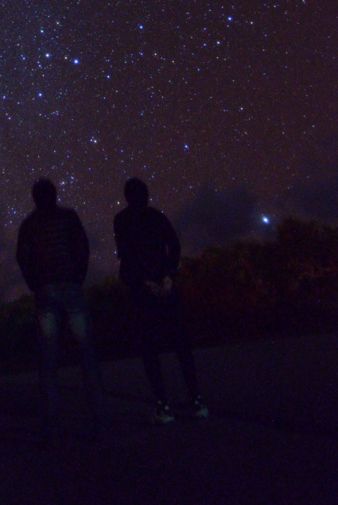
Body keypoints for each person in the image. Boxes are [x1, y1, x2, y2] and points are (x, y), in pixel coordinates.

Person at [16, 178, 104, 446]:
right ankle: (99, 422)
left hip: (46, 291)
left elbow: (23, 257)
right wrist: (77, 277)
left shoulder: (29, 224)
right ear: (54, 194)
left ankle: (52, 427)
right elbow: (82, 247)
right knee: (87, 354)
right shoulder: (68, 217)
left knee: (48, 361)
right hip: (70, 287)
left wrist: (35, 283)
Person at [114, 178, 208, 423]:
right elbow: (174, 246)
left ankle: (163, 405)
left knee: (150, 349)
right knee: (180, 344)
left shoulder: (122, 220)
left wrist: (144, 282)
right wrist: (167, 276)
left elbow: (126, 255)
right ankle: (196, 400)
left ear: (127, 196)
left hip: (142, 290)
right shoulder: (157, 216)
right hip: (165, 287)